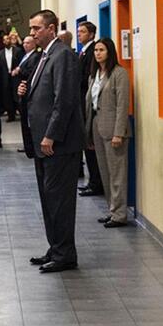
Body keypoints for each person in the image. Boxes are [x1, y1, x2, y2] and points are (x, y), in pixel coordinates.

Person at [18, 10, 84, 273]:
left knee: (60, 200)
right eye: (31, 28)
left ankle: (65, 253)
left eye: (37, 28)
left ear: (51, 28)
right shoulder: (44, 56)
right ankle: (56, 247)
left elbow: (64, 100)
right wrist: (24, 93)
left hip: (58, 143)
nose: (32, 33)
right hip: (43, 143)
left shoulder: (63, 55)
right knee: (49, 199)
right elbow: (41, 94)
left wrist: (50, 135)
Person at [85, 38, 131, 227]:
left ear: (109, 52)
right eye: (95, 50)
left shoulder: (119, 74)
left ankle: (120, 214)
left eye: (101, 50)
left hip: (114, 130)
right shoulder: (94, 74)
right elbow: (89, 103)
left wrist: (118, 133)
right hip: (97, 126)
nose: (97, 53)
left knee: (117, 174)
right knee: (104, 173)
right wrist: (88, 132)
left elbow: (122, 105)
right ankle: (112, 210)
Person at [76, 21, 103, 197]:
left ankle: (96, 183)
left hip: (89, 104)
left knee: (92, 147)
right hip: (82, 102)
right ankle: (92, 180)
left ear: (92, 34)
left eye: (83, 32)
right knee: (88, 145)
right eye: (78, 31)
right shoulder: (84, 51)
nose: (80, 34)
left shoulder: (92, 51)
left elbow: (86, 77)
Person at [14, 35, 41, 156]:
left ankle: (30, 146)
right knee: (24, 122)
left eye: (28, 43)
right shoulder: (25, 56)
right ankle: (27, 146)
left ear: (34, 44)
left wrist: (19, 71)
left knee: (27, 122)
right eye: (24, 43)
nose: (25, 45)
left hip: (27, 91)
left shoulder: (35, 56)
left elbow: (30, 72)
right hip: (21, 90)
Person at [0, 33, 23, 121]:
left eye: (8, 39)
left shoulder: (18, 50)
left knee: (16, 94)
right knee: (7, 96)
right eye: (4, 39)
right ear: (3, 41)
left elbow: (22, 62)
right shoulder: (0, 53)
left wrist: (17, 70)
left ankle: (21, 113)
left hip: (15, 76)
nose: (6, 41)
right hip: (5, 76)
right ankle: (11, 115)